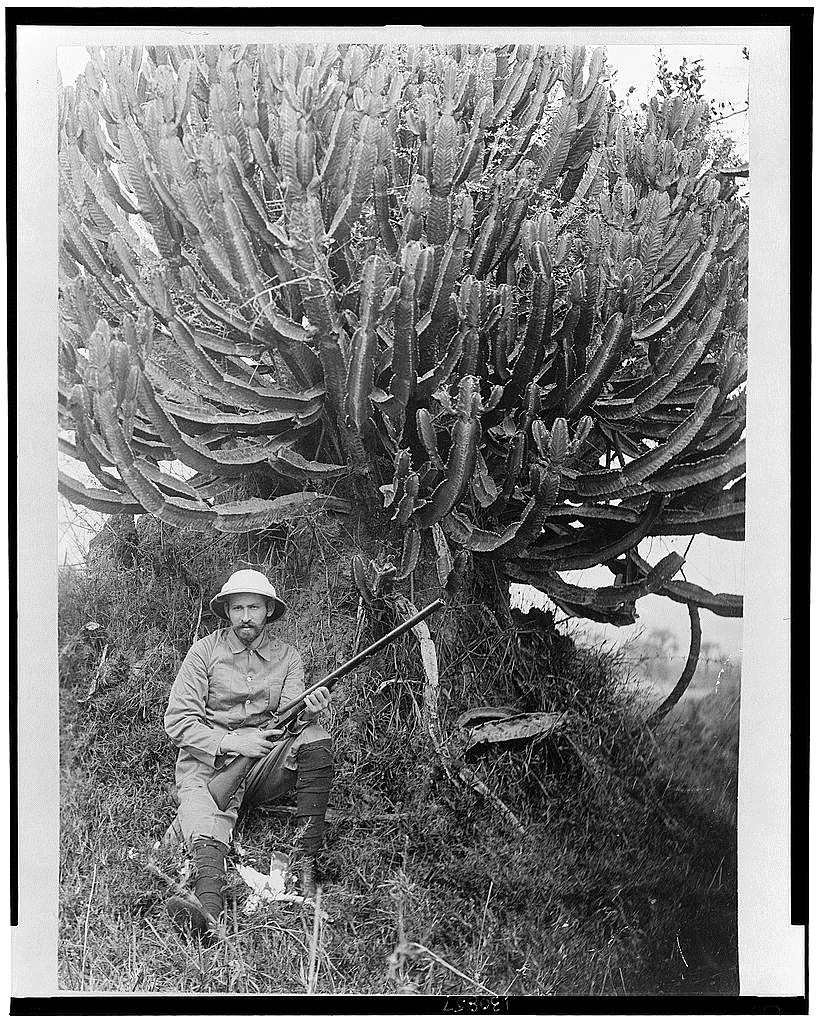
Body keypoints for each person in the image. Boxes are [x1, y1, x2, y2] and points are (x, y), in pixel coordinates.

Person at [162, 568, 333, 936]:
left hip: (261, 766)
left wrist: (309, 712)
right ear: (226, 611)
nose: (245, 617)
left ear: (269, 609)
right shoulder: (203, 652)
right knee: (206, 820)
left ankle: (305, 864)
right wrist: (232, 742)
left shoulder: (289, 658)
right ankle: (207, 916)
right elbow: (177, 721)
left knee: (316, 737)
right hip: (205, 766)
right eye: (237, 608)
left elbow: (292, 722)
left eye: (253, 607)